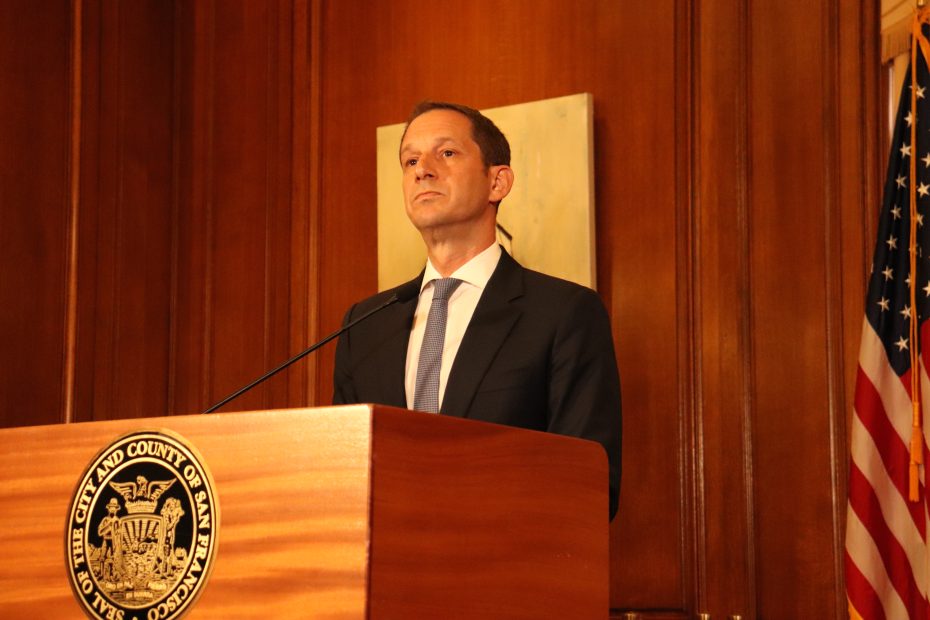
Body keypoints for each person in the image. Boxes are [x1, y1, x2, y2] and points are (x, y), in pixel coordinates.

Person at [333, 101, 622, 519]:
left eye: (446, 153)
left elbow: (589, 485)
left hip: (506, 571)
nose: (422, 169)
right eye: (410, 159)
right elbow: (342, 479)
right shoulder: (365, 324)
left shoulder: (564, 314)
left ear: (497, 182)